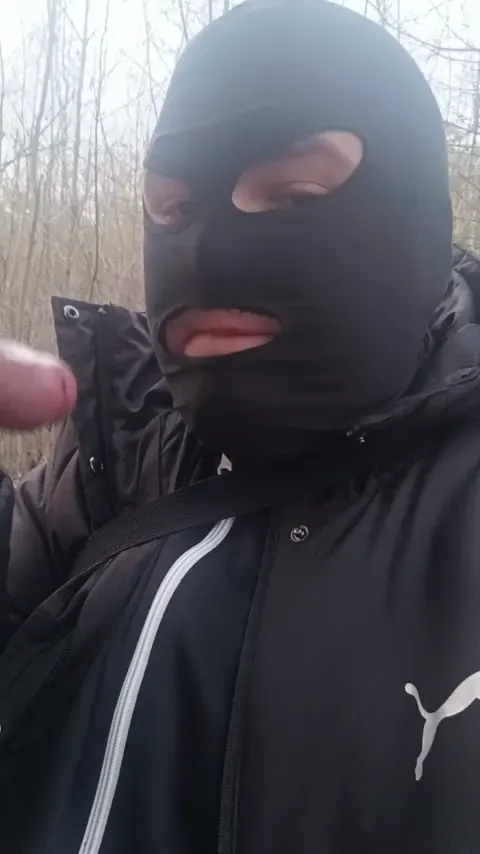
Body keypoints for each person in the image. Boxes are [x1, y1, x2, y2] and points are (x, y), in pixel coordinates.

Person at [2, 0, 480, 850]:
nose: (209, 250)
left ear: (413, 215)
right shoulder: (120, 451)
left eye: (293, 193)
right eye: (173, 210)